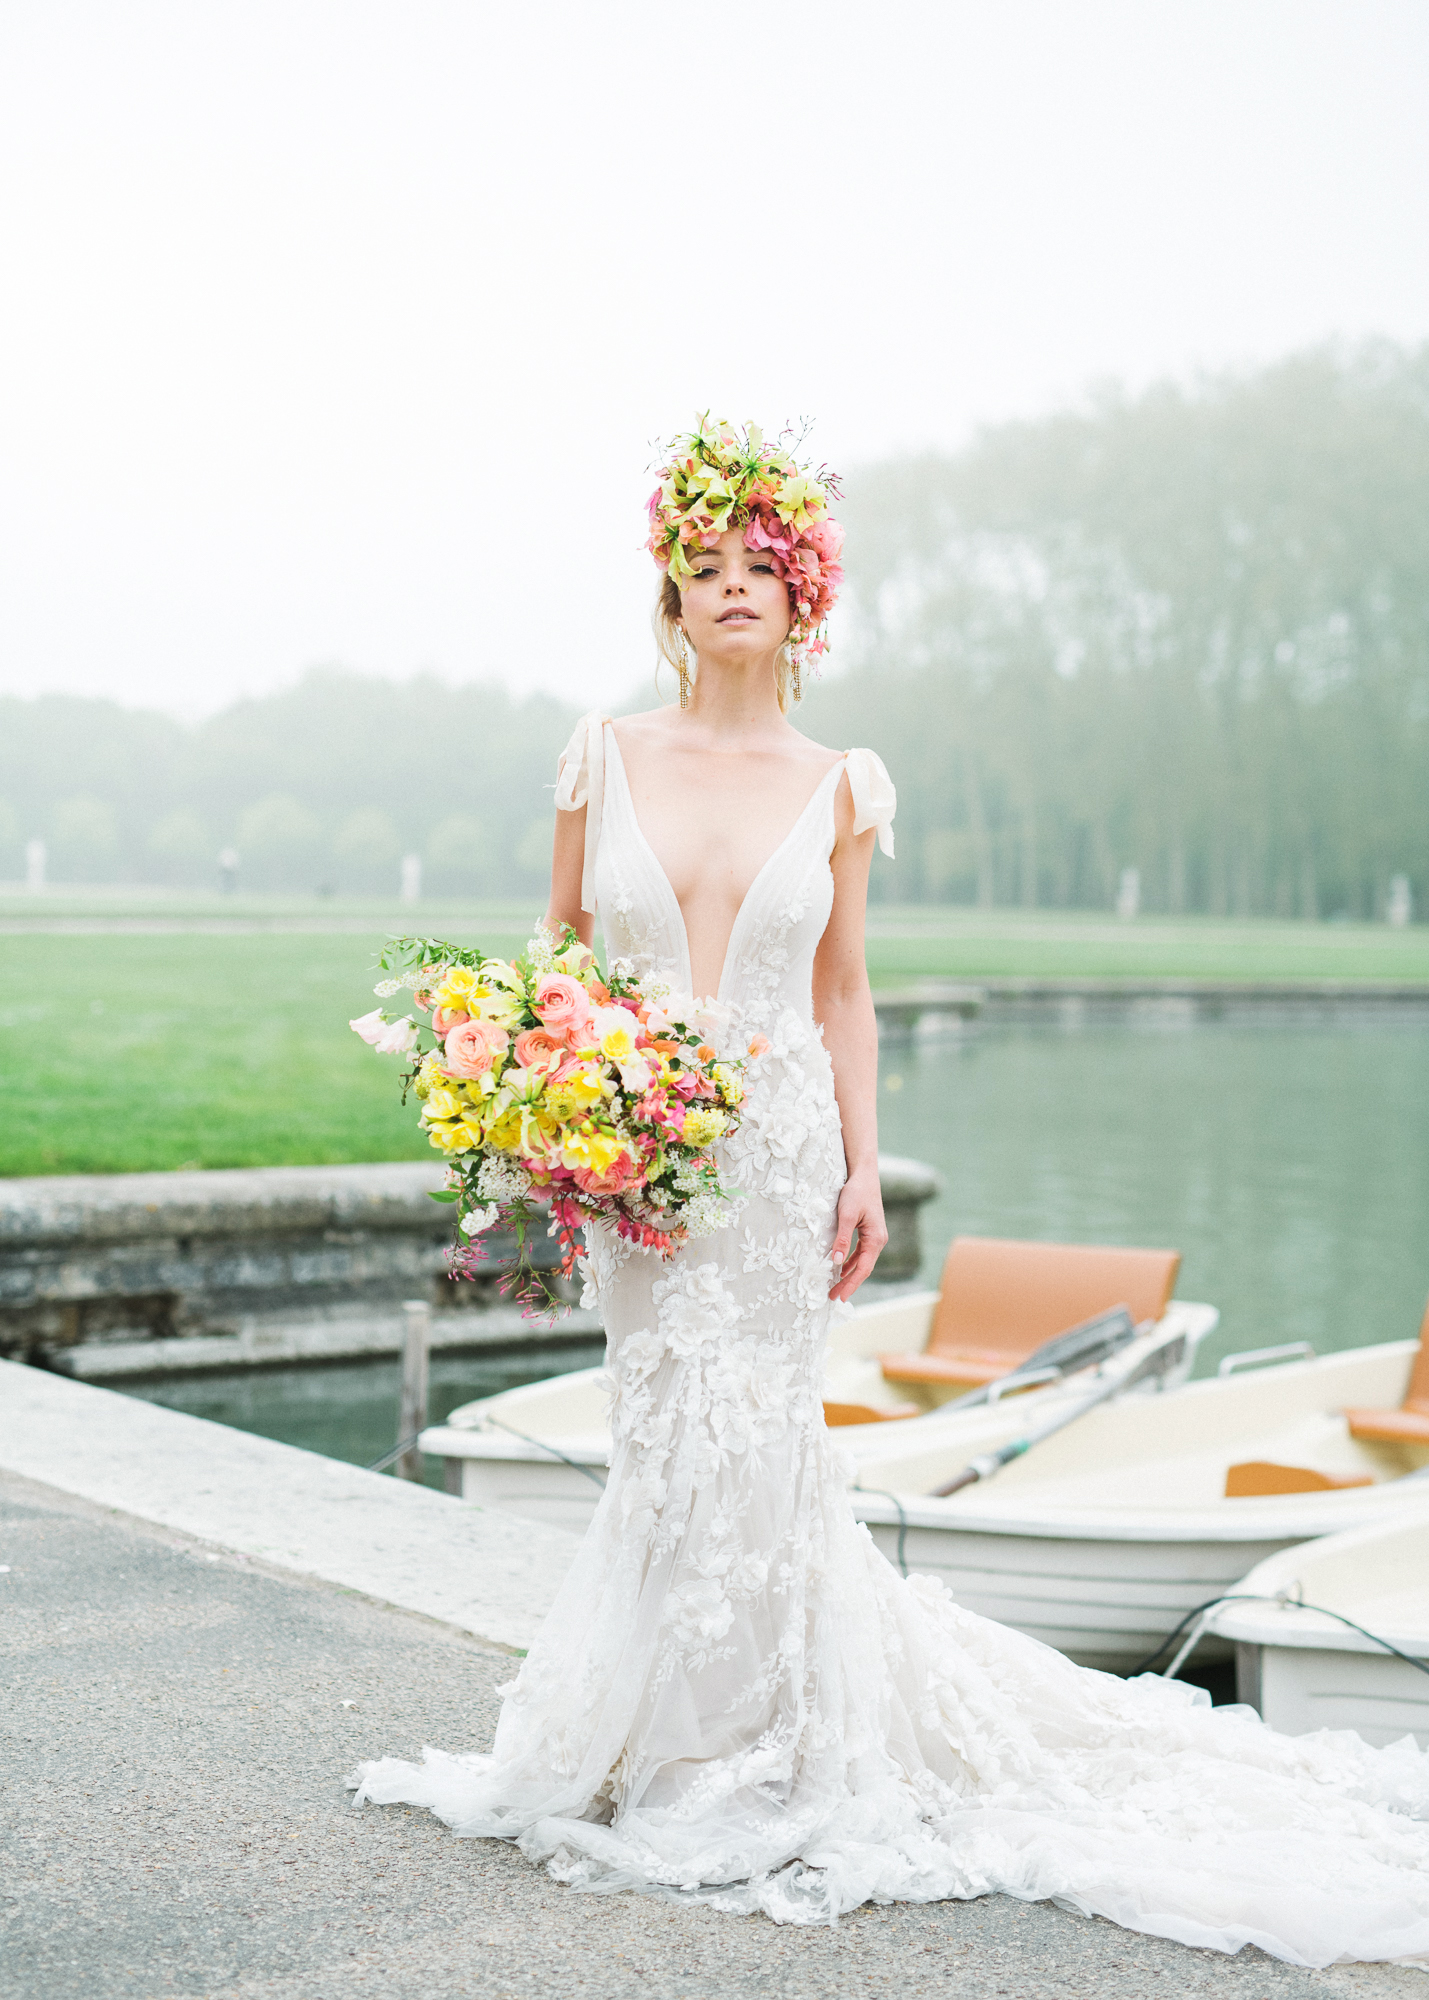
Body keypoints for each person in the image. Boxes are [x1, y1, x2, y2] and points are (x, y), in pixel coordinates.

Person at [353, 418, 1429, 1964]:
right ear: (672, 595)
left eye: (760, 569)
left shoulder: (841, 782)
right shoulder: (602, 754)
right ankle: (654, 1739)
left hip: (776, 1147)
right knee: (664, 1426)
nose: (733, 589)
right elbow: (559, 961)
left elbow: (845, 986)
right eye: (705, 567)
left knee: (761, 1436)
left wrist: (861, 1161)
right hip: (635, 1143)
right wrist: (543, 1110)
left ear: (803, 604)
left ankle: (748, 1755)